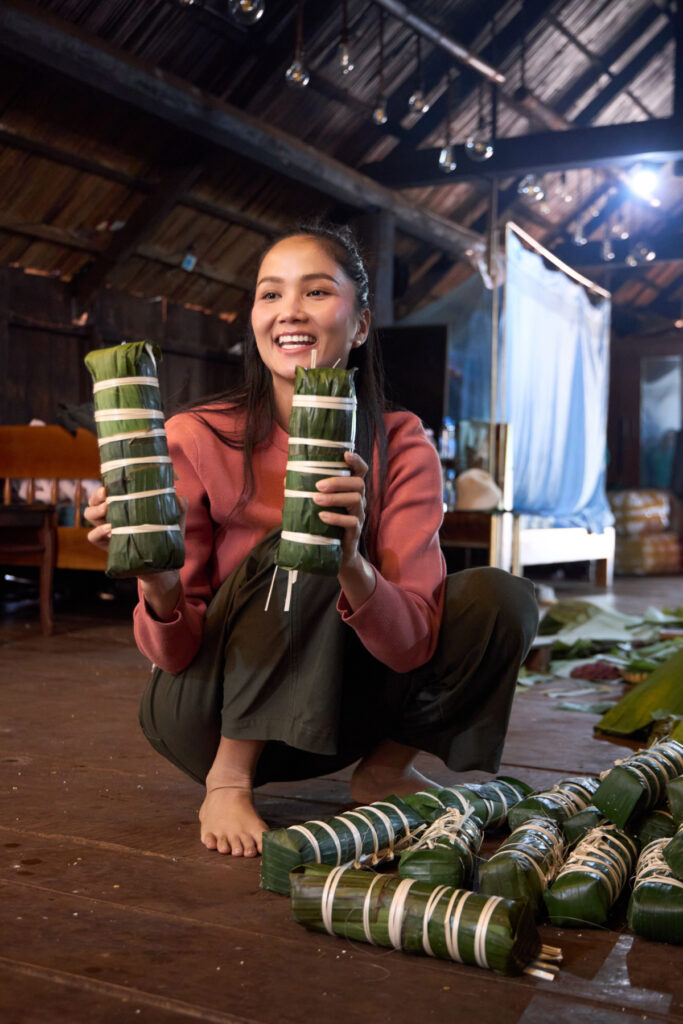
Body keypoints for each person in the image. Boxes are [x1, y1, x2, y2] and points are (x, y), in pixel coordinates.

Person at [85, 223, 538, 861]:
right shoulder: (194, 435)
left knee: (501, 598)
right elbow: (177, 650)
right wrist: (155, 582)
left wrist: (351, 563)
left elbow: (414, 646)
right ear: (254, 319)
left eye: (316, 291)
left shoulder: (401, 443)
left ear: (358, 325)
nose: (289, 311)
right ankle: (230, 778)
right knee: (295, 538)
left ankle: (383, 770)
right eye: (270, 295)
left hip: (338, 713)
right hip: (207, 712)